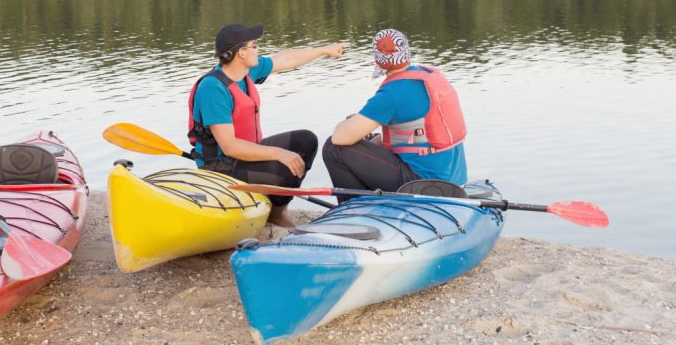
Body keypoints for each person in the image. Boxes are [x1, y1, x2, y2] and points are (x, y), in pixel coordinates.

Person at [188, 23, 346, 227]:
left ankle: (276, 212)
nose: (258, 49)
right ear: (241, 53)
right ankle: (272, 210)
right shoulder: (213, 89)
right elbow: (229, 146)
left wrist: (324, 50)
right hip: (220, 166)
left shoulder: (244, 73)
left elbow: (286, 58)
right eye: (254, 45)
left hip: (244, 155)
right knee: (285, 166)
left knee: (305, 141)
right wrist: (279, 153)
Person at [323, 28, 467, 201]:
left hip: (423, 184)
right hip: (454, 180)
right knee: (370, 138)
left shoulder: (392, 93)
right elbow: (408, 135)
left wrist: (346, 123)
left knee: (333, 149)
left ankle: (356, 209)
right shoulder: (428, 76)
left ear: (378, 59)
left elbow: (340, 138)